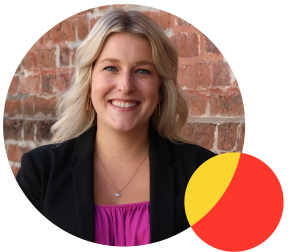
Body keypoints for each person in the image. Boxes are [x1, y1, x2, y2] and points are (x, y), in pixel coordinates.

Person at [16, 8, 217, 247]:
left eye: (142, 71)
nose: (125, 85)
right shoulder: (40, 173)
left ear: (161, 90)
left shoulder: (203, 173)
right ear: (89, 83)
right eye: (111, 68)